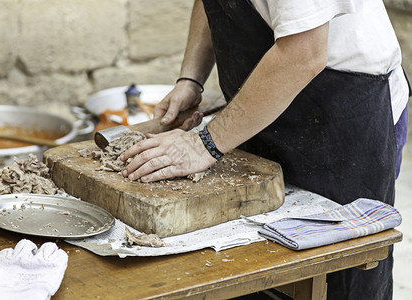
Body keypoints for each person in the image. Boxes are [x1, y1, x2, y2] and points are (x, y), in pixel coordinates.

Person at [120, 1, 411, 299]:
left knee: (337, 274)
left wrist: (205, 143)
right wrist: (191, 79)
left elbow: (304, 53)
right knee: (257, 269)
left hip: (342, 114)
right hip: (267, 110)